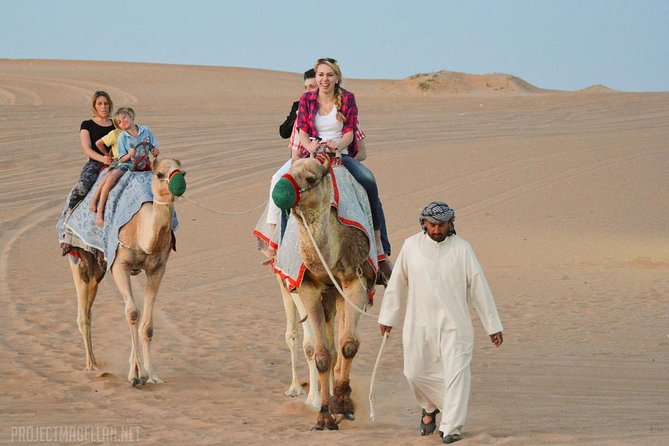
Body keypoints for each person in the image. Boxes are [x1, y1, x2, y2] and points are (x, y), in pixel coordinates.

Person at [377, 201, 504, 444]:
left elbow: (479, 288)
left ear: (450, 225)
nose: (437, 230)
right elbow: (396, 285)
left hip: (455, 326)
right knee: (413, 372)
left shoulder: (462, 249)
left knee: (457, 375)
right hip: (418, 324)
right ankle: (429, 406)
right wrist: (388, 317)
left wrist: (492, 325)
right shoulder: (411, 246)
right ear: (424, 224)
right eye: (432, 224)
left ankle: (451, 427)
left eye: (442, 225)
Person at [296, 57, 392, 280]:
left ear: (337, 77)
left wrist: (337, 145)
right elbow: (301, 130)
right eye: (320, 75)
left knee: (368, 180)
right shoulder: (307, 99)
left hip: (341, 154)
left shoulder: (347, 99)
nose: (324, 79)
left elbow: (349, 132)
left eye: (329, 75)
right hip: (313, 154)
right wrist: (310, 145)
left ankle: (379, 247)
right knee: (287, 186)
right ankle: (282, 246)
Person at [88, 107, 159, 226]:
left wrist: (155, 152)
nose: (123, 121)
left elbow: (154, 148)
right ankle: (100, 211)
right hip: (126, 164)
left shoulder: (146, 131)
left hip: (144, 164)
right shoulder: (122, 137)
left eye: (124, 118)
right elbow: (121, 158)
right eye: (119, 122)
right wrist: (129, 155)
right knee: (110, 179)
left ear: (131, 116)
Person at [66, 91, 115, 212]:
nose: (103, 106)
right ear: (95, 106)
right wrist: (103, 159)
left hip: (116, 162)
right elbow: (86, 148)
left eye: (106, 103)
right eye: (100, 103)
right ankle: (70, 213)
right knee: (83, 187)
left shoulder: (116, 124)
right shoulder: (87, 124)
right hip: (96, 163)